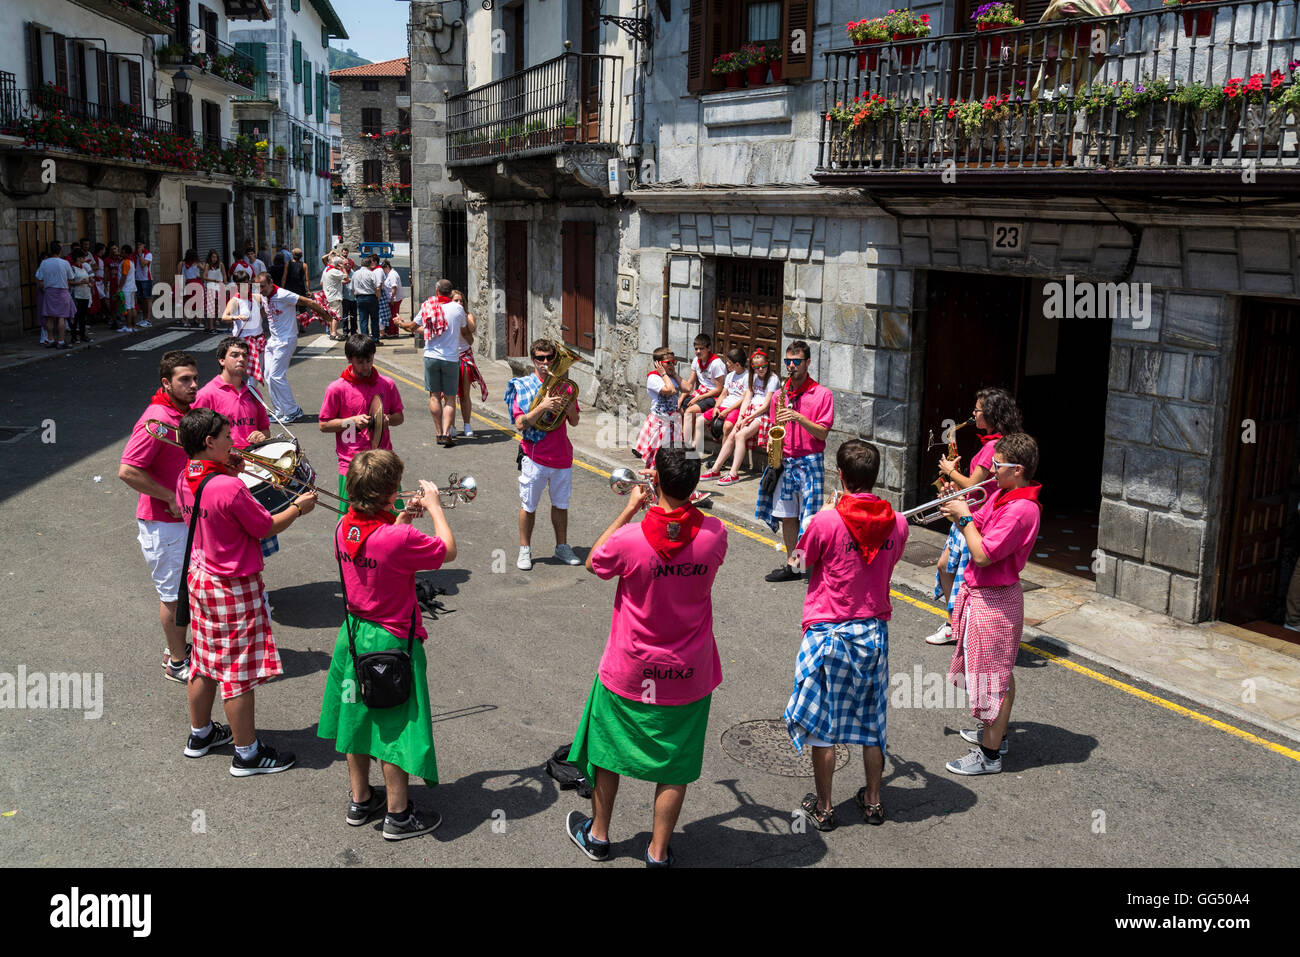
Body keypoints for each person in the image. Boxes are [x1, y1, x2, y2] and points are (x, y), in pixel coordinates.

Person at [565, 446, 727, 867]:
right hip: (688, 672)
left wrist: (632, 510)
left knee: (606, 750)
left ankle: (599, 836)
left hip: (631, 669)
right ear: (694, 486)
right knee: (675, 765)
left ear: (656, 481)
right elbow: (686, 530)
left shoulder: (630, 539)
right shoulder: (715, 536)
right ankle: (658, 852)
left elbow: (593, 562)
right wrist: (663, 494)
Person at [318, 450, 455, 839]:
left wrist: (402, 518)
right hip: (392, 639)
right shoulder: (397, 539)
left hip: (353, 635)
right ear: (386, 491)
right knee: (392, 726)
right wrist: (435, 508)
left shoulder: (346, 526)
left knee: (356, 717)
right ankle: (398, 815)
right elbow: (447, 549)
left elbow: (376, 552)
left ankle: (361, 799)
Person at [175, 408, 316, 775]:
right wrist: (298, 507)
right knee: (237, 672)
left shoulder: (185, 475)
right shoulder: (229, 486)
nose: (232, 442)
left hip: (201, 578)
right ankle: (248, 754)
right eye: (225, 437)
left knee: (204, 662)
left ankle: (201, 734)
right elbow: (265, 527)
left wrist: (229, 468)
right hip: (232, 585)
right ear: (209, 442)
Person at [783, 440, 908, 830]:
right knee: (873, 723)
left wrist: (818, 515)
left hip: (829, 632)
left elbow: (797, 562)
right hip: (872, 632)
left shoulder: (827, 520)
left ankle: (824, 806)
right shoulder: (898, 522)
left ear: (841, 475)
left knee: (823, 727)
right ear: (877, 477)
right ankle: (872, 800)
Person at [938, 432, 1042, 776]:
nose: (991, 470)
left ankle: (989, 756)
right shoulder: (1004, 495)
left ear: (1018, 470)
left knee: (993, 679)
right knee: (998, 675)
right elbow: (976, 527)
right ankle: (997, 736)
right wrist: (955, 507)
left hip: (995, 599)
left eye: (998, 466)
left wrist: (964, 517)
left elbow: (981, 554)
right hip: (987, 596)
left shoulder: (1022, 509)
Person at [118, 351, 201, 682]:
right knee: (174, 596)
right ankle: (177, 662)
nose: (194, 385)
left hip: (183, 522)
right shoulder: (158, 419)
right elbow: (127, 470)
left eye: (195, 378)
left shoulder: (182, 412)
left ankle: (176, 648)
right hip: (163, 524)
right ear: (166, 383)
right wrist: (170, 497)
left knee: (187, 592)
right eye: (185, 380)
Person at [926, 387, 1024, 645]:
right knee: (947, 567)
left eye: (977, 409)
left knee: (953, 570)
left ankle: (954, 625)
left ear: (989, 413)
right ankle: (954, 623)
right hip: (973, 512)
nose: (973, 413)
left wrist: (949, 469)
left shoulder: (993, 445)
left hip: (975, 514)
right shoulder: (998, 441)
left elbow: (972, 483)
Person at [757, 340, 836, 583]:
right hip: (785, 461)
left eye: (797, 361)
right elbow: (773, 428)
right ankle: (795, 563)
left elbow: (822, 433)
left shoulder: (823, 394)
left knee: (809, 517)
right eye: (788, 361)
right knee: (787, 516)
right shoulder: (779, 395)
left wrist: (798, 417)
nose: (791, 366)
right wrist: (772, 443)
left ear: (808, 363)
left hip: (809, 461)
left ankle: (800, 562)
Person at [505, 338, 582, 570]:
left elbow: (575, 422)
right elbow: (520, 423)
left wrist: (569, 410)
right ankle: (525, 550)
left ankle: (562, 547)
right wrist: (542, 407)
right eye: (540, 358)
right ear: (533, 360)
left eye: (550, 357)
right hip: (534, 456)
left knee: (561, 504)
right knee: (529, 505)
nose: (546, 362)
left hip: (561, 456)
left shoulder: (566, 387)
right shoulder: (523, 385)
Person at [319, 334, 405, 512]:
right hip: (351, 463)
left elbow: (399, 417)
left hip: (383, 461)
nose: (366, 366)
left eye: (369, 360)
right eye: (360, 362)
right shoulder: (336, 389)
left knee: (394, 518)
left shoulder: (387, 384)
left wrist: (387, 420)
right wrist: (351, 422)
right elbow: (324, 425)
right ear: (349, 359)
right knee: (350, 519)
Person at [399, 278, 470, 446]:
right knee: (450, 399)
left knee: (434, 396)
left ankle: (438, 433)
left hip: (431, 356)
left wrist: (401, 324)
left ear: (437, 292)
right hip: (451, 358)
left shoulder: (427, 306)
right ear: (450, 292)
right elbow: (465, 329)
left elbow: (411, 327)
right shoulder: (458, 308)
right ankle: (447, 433)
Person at [257, 270, 334, 423]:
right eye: (258, 287)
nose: (261, 290)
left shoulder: (284, 294)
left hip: (286, 340)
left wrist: (326, 317)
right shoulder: (265, 296)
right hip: (273, 340)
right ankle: (280, 410)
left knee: (276, 376)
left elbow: (309, 302)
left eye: (263, 286)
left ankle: (293, 411)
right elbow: (263, 313)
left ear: (271, 283)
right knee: (268, 376)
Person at [703, 349, 780, 487]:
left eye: (764, 366)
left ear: (768, 365)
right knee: (733, 433)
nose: (761, 369)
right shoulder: (753, 377)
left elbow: (766, 405)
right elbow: (747, 398)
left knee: (740, 436)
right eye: (757, 367)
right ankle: (715, 469)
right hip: (750, 411)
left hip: (762, 414)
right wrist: (741, 417)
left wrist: (747, 418)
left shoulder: (773, 379)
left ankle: (733, 474)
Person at [193, 338, 270, 448]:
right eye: (235, 355)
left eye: (244, 355)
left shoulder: (254, 393)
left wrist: (262, 435)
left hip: (254, 459)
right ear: (222, 360)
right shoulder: (206, 395)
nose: (241, 359)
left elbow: (265, 430)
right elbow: (193, 436)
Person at [696, 347, 747, 472]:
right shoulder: (730, 376)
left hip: (736, 407)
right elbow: (724, 394)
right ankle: (694, 455)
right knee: (699, 421)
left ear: (737, 364)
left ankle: (721, 460)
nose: (727, 364)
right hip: (724, 405)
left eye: (729, 362)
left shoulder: (747, 377)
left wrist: (728, 410)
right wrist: (717, 407)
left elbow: (744, 399)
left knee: (727, 427)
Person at [633, 347, 685, 467]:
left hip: (673, 422)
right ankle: (652, 482)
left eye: (674, 362)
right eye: (668, 363)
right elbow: (671, 390)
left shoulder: (672, 376)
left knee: (672, 458)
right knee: (657, 458)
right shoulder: (653, 378)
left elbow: (687, 388)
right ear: (658, 364)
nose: (672, 365)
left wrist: (674, 374)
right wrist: (663, 374)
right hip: (661, 423)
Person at [679, 334, 727, 452]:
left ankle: (688, 447)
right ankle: (689, 443)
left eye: (701, 349)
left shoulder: (716, 364)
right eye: (696, 349)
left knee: (690, 411)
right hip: (700, 393)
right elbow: (690, 383)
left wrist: (700, 397)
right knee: (681, 407)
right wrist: (680, 398)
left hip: (713, 396)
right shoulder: (696, 361)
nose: (698, 351)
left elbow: (719, 389)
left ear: (709, 348)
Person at [449, 290, 485, 438]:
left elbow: (471, 330)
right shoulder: (446, 314)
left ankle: (467, 424)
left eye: (461, 301)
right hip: (449, 357)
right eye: (455, 301)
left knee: (465, 393)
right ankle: (450, 426)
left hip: (464, 356)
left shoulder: (467, 315)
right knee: (449, 395)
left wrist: (462, 316)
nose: (459, 303)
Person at [218, 284, 268, 384]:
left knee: (256, 374)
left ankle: (249, 396)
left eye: (247, 284)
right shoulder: (235, 301)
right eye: (242, 285)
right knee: (239, 372)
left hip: (259, 339)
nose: (246, 287)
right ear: (237, 286)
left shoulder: (256, 297)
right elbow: (224, 317)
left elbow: (268, 303)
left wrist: (262, 316)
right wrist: (236, 317)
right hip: (244, 341)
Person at [35, 241, 76, 349]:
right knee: (61, 317)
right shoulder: (65, 263)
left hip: (49, 291)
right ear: (60, 251)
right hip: (62, 291)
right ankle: (61, 341)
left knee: (49, 317)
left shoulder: (44, 263)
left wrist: (45, 289)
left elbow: (40, 280)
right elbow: (71, 278)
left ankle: (50, 339)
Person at [351, 254, 382, 344]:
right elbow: (378, 287)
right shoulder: (371, 273)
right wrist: (378, 296)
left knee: (363, 319)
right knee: (374, 319)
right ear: (369, 264)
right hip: (371, 297)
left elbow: (352, 289)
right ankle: (375, 339)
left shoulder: (355, 274)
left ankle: (365, 340)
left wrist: (356, 295)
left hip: (360, 297)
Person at [69, 248, 94, 344]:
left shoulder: (84, 267)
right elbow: (70, 281)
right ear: (78, 258)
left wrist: (89, 283)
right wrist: (79, 282)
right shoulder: (72, 268)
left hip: (85, 294)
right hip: (77, 295)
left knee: (83, 316)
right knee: (76, 316)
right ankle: (74, 336)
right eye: (83, 257)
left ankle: (83, 335)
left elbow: (90, 280)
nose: (84, 259)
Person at [320, 257, 347, 340]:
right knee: (336, 316)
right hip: (335, 296)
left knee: (330, 316)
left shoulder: (326, 270)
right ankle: (334, 333)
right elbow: (346, 278)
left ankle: (331, 332)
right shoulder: (335, 271)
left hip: (327, 296)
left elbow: (322, 283)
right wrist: (343, 268)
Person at [201, 250, 226, 334]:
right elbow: (204, 277)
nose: (214, 259)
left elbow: (224, 275)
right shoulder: (207, 265)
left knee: (215, 308)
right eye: (212, 257)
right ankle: (211, 327)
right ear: (210, 257)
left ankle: (208, 327)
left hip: (219, 288)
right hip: (210, 287)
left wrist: (225, 284)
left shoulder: (221, 264)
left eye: (215, 257)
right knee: (210, 308)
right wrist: (214, 280)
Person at [119, 243, 142, 332]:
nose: (121, 253)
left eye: (123, 252)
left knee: (128, 308)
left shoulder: (125, 262)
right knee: (132, 307)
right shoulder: (131, 261)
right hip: (132, 287)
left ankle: (128, 326)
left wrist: (119, 287)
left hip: (126, 288)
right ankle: (134, 326)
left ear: (127, 253)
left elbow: (124, 276)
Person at [378, 260, 402, 338]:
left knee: (393, 316)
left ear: (387, 267)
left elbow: (394, 287)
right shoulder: (389, 274)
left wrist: (392, 298)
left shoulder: (392, 275)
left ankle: (393, 332)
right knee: (392, 316)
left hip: (394, 299)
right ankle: (393, 331)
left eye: (384, 269)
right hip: (392, 299)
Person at [135, 242, 154, 322]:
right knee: (141, 299)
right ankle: (144, 318)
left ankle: (148, 318)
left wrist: (139, 255)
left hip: (146, 279)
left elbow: (143, 264)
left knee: (148, 299)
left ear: (144, 245)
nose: (139, 246)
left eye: (140, 245)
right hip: (138, 279)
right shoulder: (135, 254)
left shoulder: (148, 254)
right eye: (137, 244)